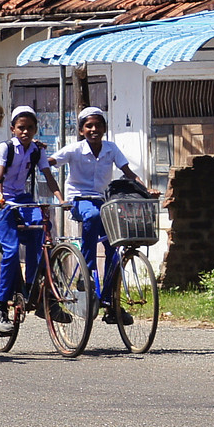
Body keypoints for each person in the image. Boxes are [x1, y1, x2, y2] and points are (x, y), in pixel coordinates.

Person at [49, 106, 144, 322]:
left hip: (103, 202)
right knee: (91, 216)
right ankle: (86, 272)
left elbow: (128, 172)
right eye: (89, 126)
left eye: (98, 125)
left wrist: (145, 188)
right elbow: (50, 162)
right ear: (81, 130)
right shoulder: (74, 149)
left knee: (116, 243)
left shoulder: (111, 149)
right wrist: (35, 153)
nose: (94, 129)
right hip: (79, 201)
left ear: (104, 128)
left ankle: (111, 301)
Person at [0, 106, 52, 334]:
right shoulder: (6, 148)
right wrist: (0, 195)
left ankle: (32, 288)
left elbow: (48, 176)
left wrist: (61, 200)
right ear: (13, 129)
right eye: (21, 128)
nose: (25, 132)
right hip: (0, 199)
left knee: (42, 233)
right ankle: (1, 307)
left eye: (30, 128)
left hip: (22, 198)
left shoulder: (36, 150)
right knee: (11, 249)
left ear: (36, 129)